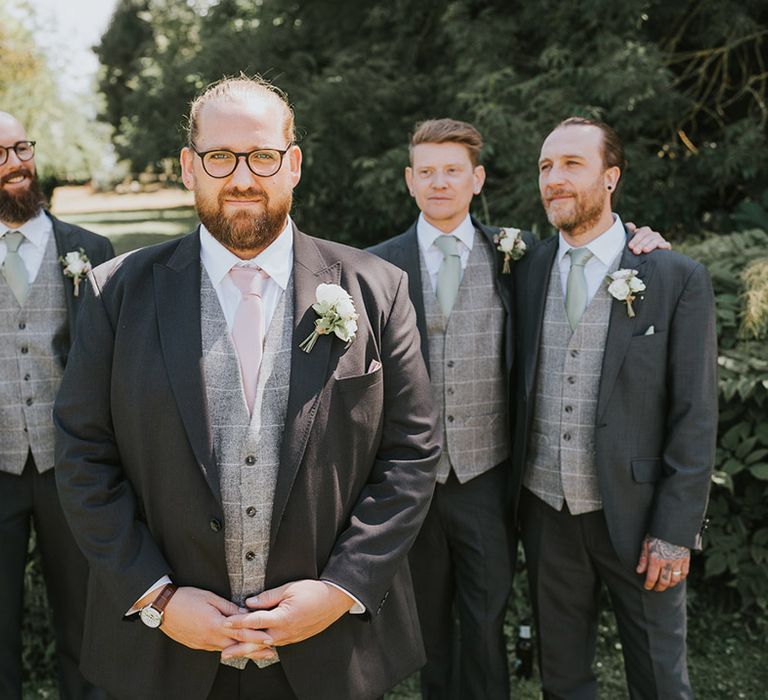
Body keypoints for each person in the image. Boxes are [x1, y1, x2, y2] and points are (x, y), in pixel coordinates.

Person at [53, 76, 440, 700]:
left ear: (293, 165)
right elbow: (82, 458)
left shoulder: (377, 289)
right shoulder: (115, 294)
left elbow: (410, 455)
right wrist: (157, 597)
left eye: (262, 156)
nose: (241, 177)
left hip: (329, 654)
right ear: (188, 167)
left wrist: (341, 589)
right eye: (219, 157)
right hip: (165, 656)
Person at [369, 118, 666, 700]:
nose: (439, 183)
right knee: (430, 627)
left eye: (453, 170)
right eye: (426, 172)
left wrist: (641, 241)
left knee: (486, 621)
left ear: (477, 179)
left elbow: (589, 249)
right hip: (412, 482)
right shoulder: (375, 267)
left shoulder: (519, 256)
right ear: (409, 181)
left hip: (489, 478)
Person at [510, 117, 717, 699]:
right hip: (546, 512)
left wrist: (675, 531)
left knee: (659, 679)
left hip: (641, 521)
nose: (554, 178)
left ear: (611, 177)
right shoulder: (524, 271)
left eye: (572, 164)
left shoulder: (674, 276)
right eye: (546, 166)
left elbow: (695, 415)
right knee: (564, 680)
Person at [0, 112, 114, 700]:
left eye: (22, 146)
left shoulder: (91, 252)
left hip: (71, 468)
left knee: (84, 618)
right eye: (0, 154)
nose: (16, 162)